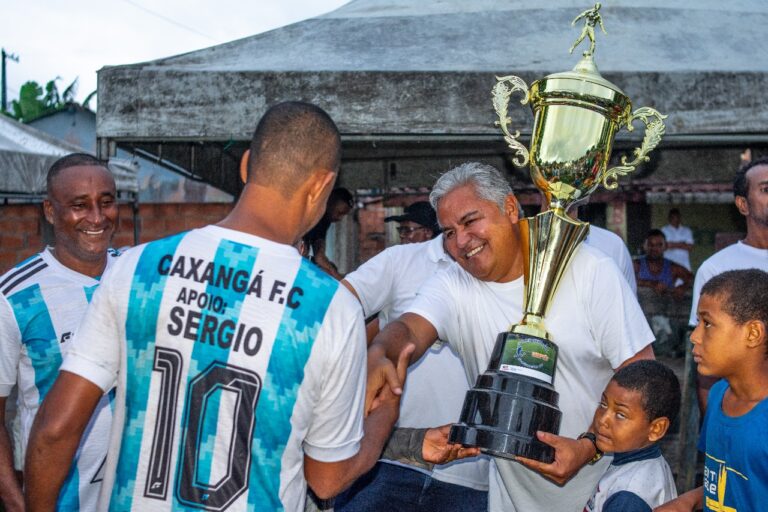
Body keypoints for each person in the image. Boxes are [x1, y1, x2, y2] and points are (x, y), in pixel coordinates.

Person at [23, 102, 409, 511]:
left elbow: (54, 431)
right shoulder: (330, 308)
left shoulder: (137, 268)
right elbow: (328, 479)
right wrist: (385, 413)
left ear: (245, 167)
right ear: (321, 186)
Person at [366, 162, 655, 511]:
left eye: (470, 221)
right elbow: (410, 328)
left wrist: (588, 447)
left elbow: (643, 376)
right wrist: (381, 350)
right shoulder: (454, 283)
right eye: (448, 232)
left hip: (602, 495)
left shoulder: (591, 272)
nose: (460, 241)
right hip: (510, 501)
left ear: (510, 208)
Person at [335, 201, 489, 511]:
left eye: (409, 230)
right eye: (401, 231)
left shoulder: (499, 273)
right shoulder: (398, 261)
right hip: (385, 459)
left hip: (470, 470)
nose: (461, 238)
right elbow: (333, 308)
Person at [0, 153, 119, 511]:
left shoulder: (136, 275)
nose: (97, 217)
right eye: (79, 206)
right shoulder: (15, 298)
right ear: (50, 212)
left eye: (106, 202)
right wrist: (18, 503)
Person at [657, 269, 768, 511]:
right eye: (697, 323)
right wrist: (686, 502)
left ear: (753, 333)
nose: (695, 337)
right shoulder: (718, 395)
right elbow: (726, 482)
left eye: (707, 323)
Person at [689, 157, 768, 412]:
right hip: (742, 410)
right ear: (743, 204)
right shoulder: (717, 269)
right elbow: (706, 359)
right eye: (766, 189)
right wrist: (714, 423)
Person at [584, 360, 679, 512]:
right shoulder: (639, 461)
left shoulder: (628, 499)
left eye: (621, 415)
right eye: (603, 404)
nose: (603, 420)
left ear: (656, 429)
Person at [303, 187, 354, 279]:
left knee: (328, 270)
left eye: (343, 215)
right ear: (331, 201)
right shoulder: (312, 213)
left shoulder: (325, 222)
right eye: (339, 213)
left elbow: (319, 256)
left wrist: (339, 279)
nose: (339, 218)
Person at [634, 229, 693, 301]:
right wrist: (651, 284)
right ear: (645, 246)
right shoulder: (636, 265)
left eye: (659, 245)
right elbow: (625, 280)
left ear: (665, 246)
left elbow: (692, 279)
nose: (655, 248)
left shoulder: (673, 268)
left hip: (667, 310)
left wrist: (684, 287)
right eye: (651, 245)